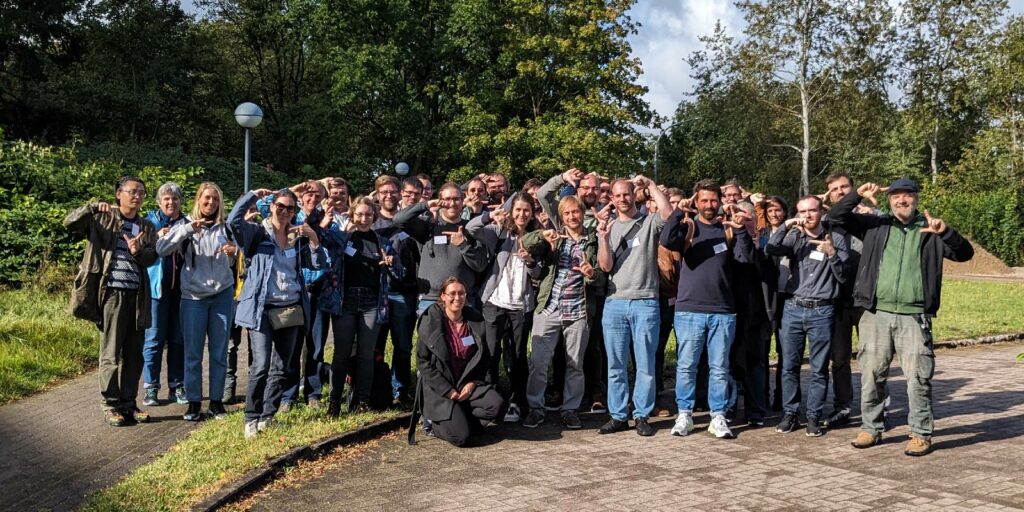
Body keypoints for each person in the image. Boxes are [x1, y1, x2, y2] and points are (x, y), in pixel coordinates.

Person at [829, 178, 973, 456]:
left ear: (916, 198)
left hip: (913, 316)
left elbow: (965, 254)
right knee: (871, 374)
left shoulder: (930, 229)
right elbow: (836, 217)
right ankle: (871, 428)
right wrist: (856, 195)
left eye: (907, 196)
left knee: (918, 376)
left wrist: (946, 233)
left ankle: (920, 433)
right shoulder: (875, 226)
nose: (901, 201)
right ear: (889, 200)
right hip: (875, 313)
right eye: (896, 196)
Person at [660, 179, 753, 439]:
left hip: (723, 310)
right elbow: (666, 240)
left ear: (720, 202)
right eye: (704, 200)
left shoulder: (728, 230)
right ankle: (684, 415)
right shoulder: (689, 227)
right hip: (689, 309)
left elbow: (745, 259)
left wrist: (742, 230)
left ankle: (718, 416)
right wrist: (681, 210)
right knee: (686, 366)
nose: (709, 205)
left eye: (713, 200)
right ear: (697, 201)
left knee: (720, 367)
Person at [228, 188, 325, 439]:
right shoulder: (257, 233)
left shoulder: (297, 237)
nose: (284, 212)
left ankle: (267, 417)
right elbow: (232, 221)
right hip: (261, 308)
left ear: (295, 211)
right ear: (271, 207)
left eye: (290, 208)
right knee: (260, 365)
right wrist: (252, 195)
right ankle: (251, 417)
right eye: (280, 207)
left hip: (290, 308)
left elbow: (317, 264)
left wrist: (313, 238)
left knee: (282, 367)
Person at [65, 176, 157, 426]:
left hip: (137, 296)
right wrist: (92, 207)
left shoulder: (146, 226)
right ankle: (110, 404)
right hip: (111, 294)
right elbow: (70, 223)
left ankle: (129, 403)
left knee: (134, 354)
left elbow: (151, 258)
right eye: (132, 191)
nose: (137, 196)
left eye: (141, 192)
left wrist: (138, 252)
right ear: (119, 194)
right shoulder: (102, 218)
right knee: (111, 353)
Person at [595, 175, 672, 436]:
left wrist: (651, 185)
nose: (622, 199)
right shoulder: (609, 227)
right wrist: (603, 238)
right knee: (615, 364)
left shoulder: (648, 223)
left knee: (645, 363)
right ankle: (618, 415)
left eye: (626, 194)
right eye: (617, 195)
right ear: (612, 199)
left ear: (633, 194)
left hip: (645, 302)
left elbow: (668, 212)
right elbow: (605, 266)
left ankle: (641, 415)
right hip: (614, 303)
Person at [766, 195, 848, 436]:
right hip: (793, 308)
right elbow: (770, 248)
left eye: (812, 211)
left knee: (819, 368)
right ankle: (790, 413)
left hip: (822, 311)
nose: (807, 216)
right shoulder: (795, 237)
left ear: (821, 211)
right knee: (789, 366)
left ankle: (813, 416)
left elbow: (843, 276)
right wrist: (786, 225)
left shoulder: (836, 238)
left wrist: (831, 253)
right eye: (802, 211)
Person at [520, 193, 603, 429]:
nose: (572, 216)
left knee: (574, 364)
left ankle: (570, 410)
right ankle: (536, 409)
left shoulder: (594, 240)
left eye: (575, 212)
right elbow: (526, 243)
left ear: (582, 213)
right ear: (561, 217)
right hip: (549, 307)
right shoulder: (556, 237)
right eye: (566, 213)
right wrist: (542, 235)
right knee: (538, 362)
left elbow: (601, 276)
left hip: (578, 310)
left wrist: (591, 275)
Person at [156, 182, 237, 421]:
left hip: (222, 294)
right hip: (193, 297)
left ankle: (215, 402)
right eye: (206, 198)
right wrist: (187, 230)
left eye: (215, 199)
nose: (210, 203)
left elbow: (236, 258)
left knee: (219, 351)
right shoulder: (185, 224)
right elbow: (161, 249)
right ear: (198, 200)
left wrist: (233, 252)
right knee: (193, 352)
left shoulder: (227, 227)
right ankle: (193, 402)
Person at [321, 196, 403, 415]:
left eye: (368, 214)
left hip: (371, 302)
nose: (364, 218)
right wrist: (326, 219)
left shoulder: (382, 241)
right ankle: (334, 402)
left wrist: (391, 264)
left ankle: (363, 402)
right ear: (352, 215)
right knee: (342, 353)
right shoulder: (343, 238)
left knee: (367, 354)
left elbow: (399, 273)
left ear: (374, 216)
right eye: (359, 214)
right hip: (345, 300)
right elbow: (321, 239)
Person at [466, 192, 542, 423]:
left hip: (521, 305)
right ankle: (490, 401)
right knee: (489, 353)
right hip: (494, 302)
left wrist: (529, 261)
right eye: (518, 210)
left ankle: (518, 401)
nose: (521, 214)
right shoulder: (499, 232)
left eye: (526, 210)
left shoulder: (537, 237)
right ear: (511, 211)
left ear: (532, 213)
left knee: (518, 355)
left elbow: (539, 275)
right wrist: (489, 216)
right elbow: (470, 229)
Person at [412, 277, 505, 447]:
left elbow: (483, 357)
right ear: (443, 296)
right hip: (441, 388)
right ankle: (434, 425)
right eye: (452, 294)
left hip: (465, 384)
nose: (457, 298)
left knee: (496, 405)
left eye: (461, 293)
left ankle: (461, 419)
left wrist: (473, 383)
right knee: (460, 438)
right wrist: (447, 390)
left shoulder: (474, 320)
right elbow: (422, 362)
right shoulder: (431, 322)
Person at [393, 182, 490, 312]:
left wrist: (463, 245)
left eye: (456, 199)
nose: (452, 203)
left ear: (463, 201)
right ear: (440, 200)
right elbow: (398, 219)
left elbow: (480, 265)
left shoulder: (471, 228)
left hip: (462, 300)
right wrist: (426, 204)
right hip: (430, 300)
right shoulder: (427, 227)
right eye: (447, 199)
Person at [142, 182, 189, 406]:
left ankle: (177, 386)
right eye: (166, 199)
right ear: (159, 202)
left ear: (181, 201)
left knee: (178, 340)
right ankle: (151, 388)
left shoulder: (188, 223)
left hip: (182, 291)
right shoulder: (148, 223)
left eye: (175, 199)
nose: (171, 202)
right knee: (153, 340)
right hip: (156, 290)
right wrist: (157, 237)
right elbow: (140, 251)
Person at [820, 172, 861, 428]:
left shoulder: (870, 218)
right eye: (834, 189)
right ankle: (843, 406)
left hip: (867, 297)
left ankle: (879, 406)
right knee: (840, 357)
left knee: (873, 357)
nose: (840, 192)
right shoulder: (827, 222)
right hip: (837, 299)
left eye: (845, 187)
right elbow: (807, 211)